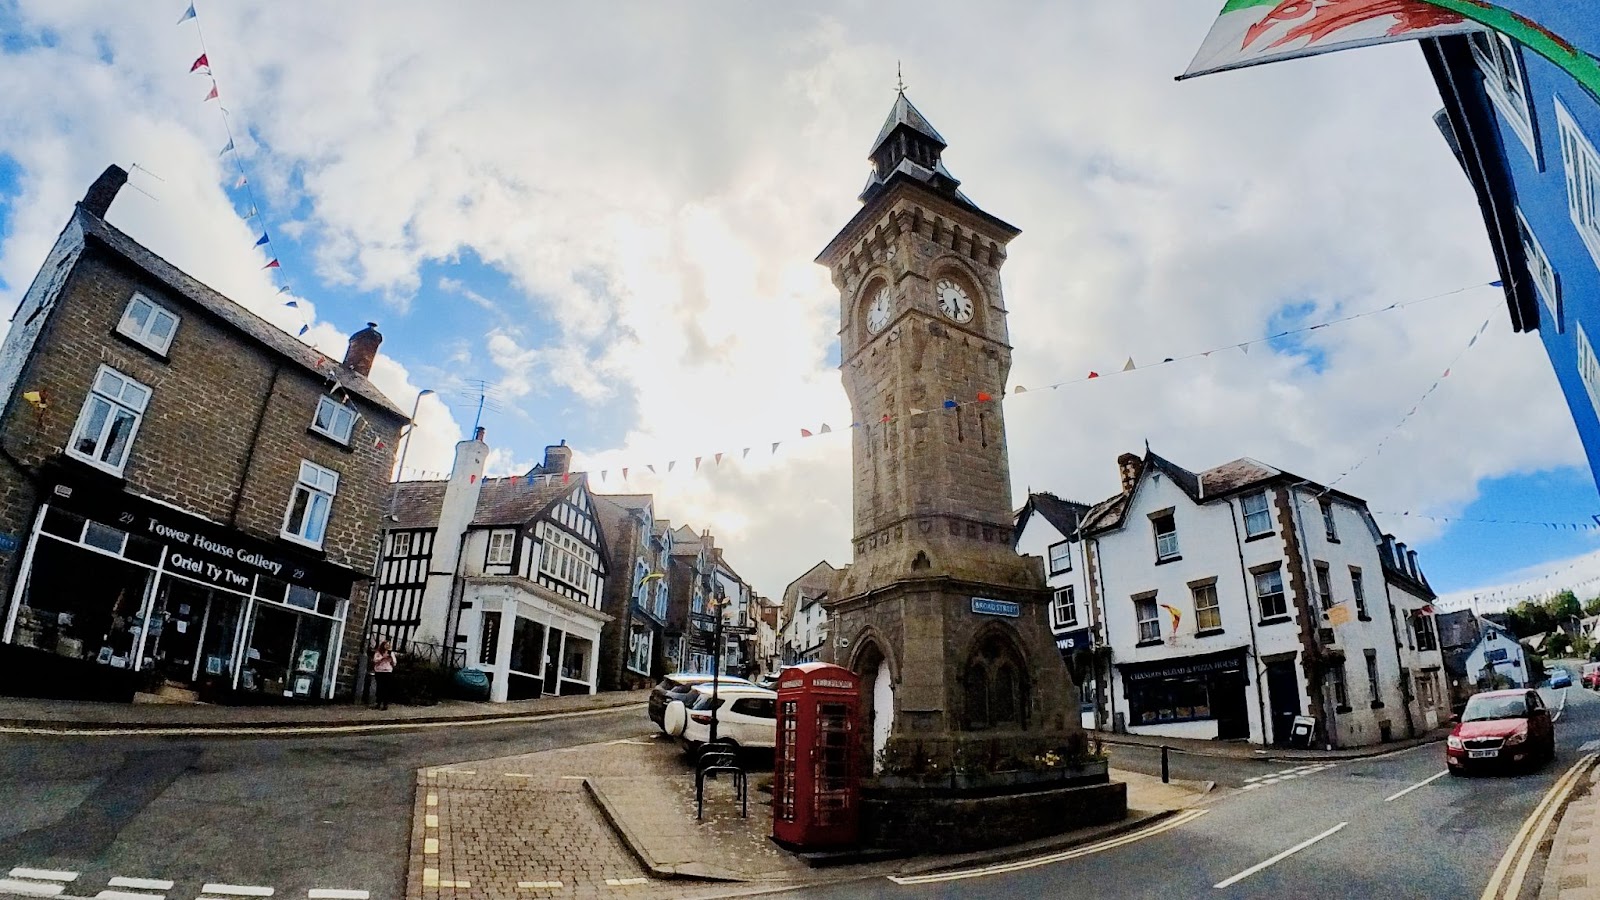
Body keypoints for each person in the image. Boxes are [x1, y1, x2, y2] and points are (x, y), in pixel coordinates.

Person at [371, 640, 396, 710]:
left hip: (387, 671)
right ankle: (378, 703)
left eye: (388, 645)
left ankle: (385, 704)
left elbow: (394, 663)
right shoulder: (378, 652)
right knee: (379, 687)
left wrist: (391, 657)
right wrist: (382, 657)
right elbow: (375, 660)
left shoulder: (391, 653)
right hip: (379, 671)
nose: (387, 646)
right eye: (386, 645)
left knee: (386, 688)